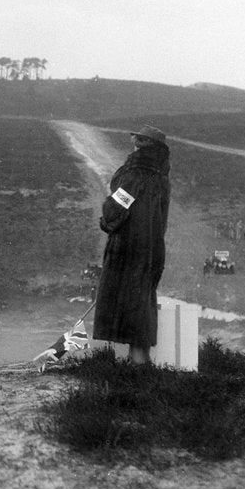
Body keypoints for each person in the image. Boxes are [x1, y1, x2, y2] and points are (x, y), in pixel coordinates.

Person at [92, 124, 171, 365]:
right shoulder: (161, 178)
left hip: (127, 249)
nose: (132, 143)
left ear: (140, 144)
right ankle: (140, 360)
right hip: (152, 250)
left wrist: (106, 220)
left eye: (135, 139)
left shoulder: (133, 176)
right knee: (142, 302)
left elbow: (116, 208)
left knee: (126, 302)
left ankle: (136, 366)